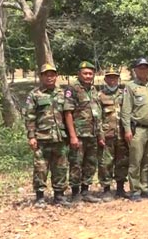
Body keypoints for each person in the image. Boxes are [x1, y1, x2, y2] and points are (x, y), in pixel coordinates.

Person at [23, 63, 71, 207]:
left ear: (56, 76)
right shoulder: (34, 94)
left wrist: (70, 136)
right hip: (42, 137)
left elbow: (68, 115)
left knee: (60, 167)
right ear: (41, 77)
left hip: (60, 137)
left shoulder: (62, 93)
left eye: (52, 75)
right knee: (40, 168)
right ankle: (40, 197)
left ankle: (59, 195)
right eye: (46, 75)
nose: (49, 78)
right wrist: (31, 136)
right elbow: (30, 116)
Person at [121, 58, 148, 202]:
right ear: (135, 70)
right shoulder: (130, 87)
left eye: (145, 68)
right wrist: (127, 129)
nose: (143, 70)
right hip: (138, 130)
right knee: (135, 161)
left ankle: (146, 187)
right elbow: (126, 110)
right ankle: (135, 190)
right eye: (140, 68)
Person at [64, 61, 102, 204]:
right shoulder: (72, 89)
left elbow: (97, 113)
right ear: (79, 74)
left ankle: (86, 191)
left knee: (90, 163)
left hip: (92, 134)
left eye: (90, 73)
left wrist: (100, 134)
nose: (88, 76)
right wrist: (72, 136)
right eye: (85, 73)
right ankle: (75, 193)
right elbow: (68, 112)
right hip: (79, 134)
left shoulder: (93, 90)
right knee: (76, 164)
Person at [97, 66, 129, 201]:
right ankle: (106, 189)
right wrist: (100, 134)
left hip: (122, 133)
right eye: (109, 77)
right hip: (107, 134)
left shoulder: (125, 94)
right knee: (106, 163)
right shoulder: (100, 95)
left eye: (114, 77)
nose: (112, 80)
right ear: (105, 79)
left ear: (118, 79)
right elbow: (97, 117)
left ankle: (120, 188)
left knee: (123, 161)